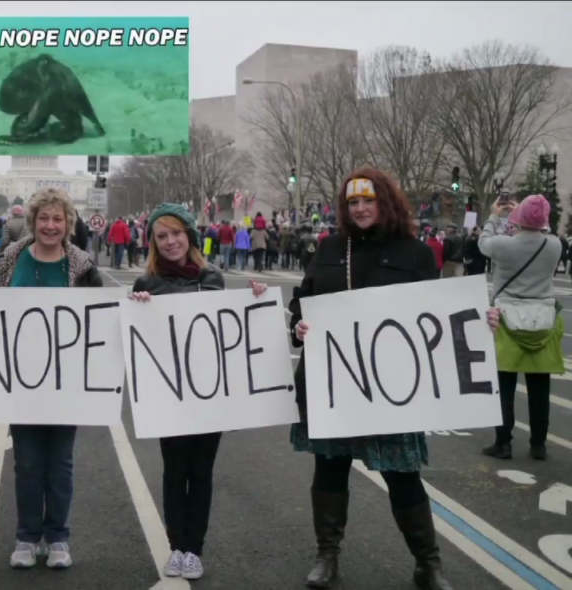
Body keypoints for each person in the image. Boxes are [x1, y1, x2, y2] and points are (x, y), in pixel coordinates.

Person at [289, 168, 453, 590]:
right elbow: (302, 304)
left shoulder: (415, 253)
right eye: (352, 202)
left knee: (402, 473)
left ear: (385, 202)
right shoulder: (328, 248)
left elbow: (434, 317)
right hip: (332, 382)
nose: (359, 208)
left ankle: (427, 563)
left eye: (368, 200)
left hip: (392, 388)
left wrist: (480, 321)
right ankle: (328, 557)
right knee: (330, 468)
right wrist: (300, 326)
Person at [126, 203, 267, 580]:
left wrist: (257, 300)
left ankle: (195, 549)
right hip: (169, 395)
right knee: (175, 471)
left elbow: (228, 331)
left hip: (208, 394)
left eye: (176, 234)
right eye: (162, 236)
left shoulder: (213, 279)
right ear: (154, 243)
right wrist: (136, 308)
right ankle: (177, 546)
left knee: (201, 472)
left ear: (189, 235)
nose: (170, 241)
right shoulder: (146, 284)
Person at [0, 187, 102, 570]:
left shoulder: (83, 267)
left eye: (58, 219)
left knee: (60, 463)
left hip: (66, 382)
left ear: (68, 223)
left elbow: (100, 321)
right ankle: (27, 536)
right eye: (44, 218)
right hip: (20, 382)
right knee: (28, 463)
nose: (51, 225)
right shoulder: (7, 261)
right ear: (32, 222)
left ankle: (58, 538)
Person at [479, 194, 562, 461]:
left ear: (518, 219)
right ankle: (538, 444)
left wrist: (496, 215)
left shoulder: (505, 245)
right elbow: (540, 231)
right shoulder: (554, 245)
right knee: (540, 387)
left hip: (506, 318)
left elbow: (484, 243)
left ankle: (503, 442)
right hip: (541, 320)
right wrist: (524, 215)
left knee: (504, 385)